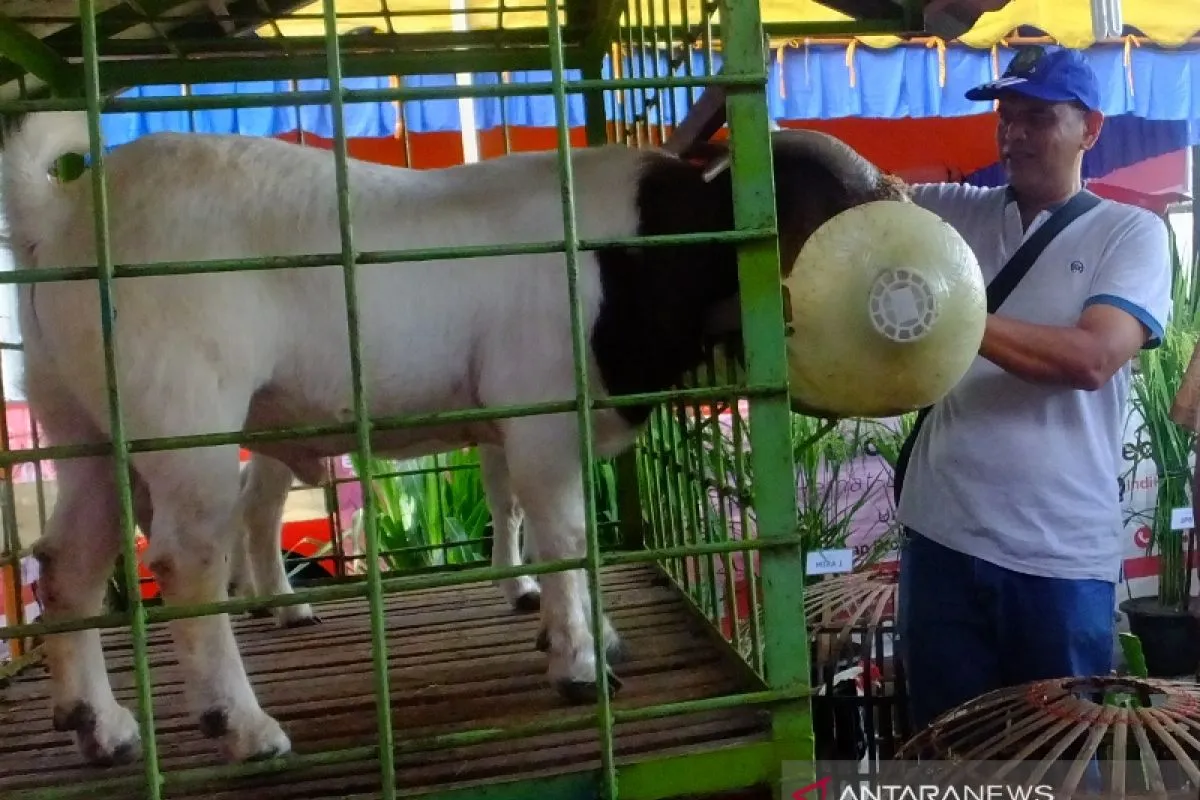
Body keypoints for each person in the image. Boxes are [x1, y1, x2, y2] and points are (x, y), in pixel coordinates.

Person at [893, 44, 1174, 732]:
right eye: (1007, 117)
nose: (1014, 134)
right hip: (941, 538)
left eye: (1039, 118)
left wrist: (948, 313)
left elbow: (1092, 358)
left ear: (1091, 129)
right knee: (947, 748)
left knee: (1059, 757)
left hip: (1057, 560)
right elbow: (860, 206)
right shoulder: (952, 213)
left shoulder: (1129, 233)